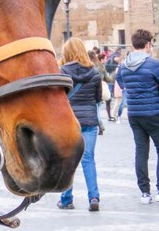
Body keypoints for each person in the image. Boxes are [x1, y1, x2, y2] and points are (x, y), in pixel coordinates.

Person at [116, 29, 159, 204]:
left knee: (141, 152)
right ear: (148, 44)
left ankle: (145, 192)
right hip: (153, 111)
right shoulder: (153, 64)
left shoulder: (124, 65)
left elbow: (121, 82)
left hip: (134, 113)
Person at [57, 37, 102, 212]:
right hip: (90, 121)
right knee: (88, 159)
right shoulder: (95, 72)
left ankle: (67, 199)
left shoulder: (61, 72)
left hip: (69, 121)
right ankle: (94, 197)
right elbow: (98, 99)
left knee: (69, 160)